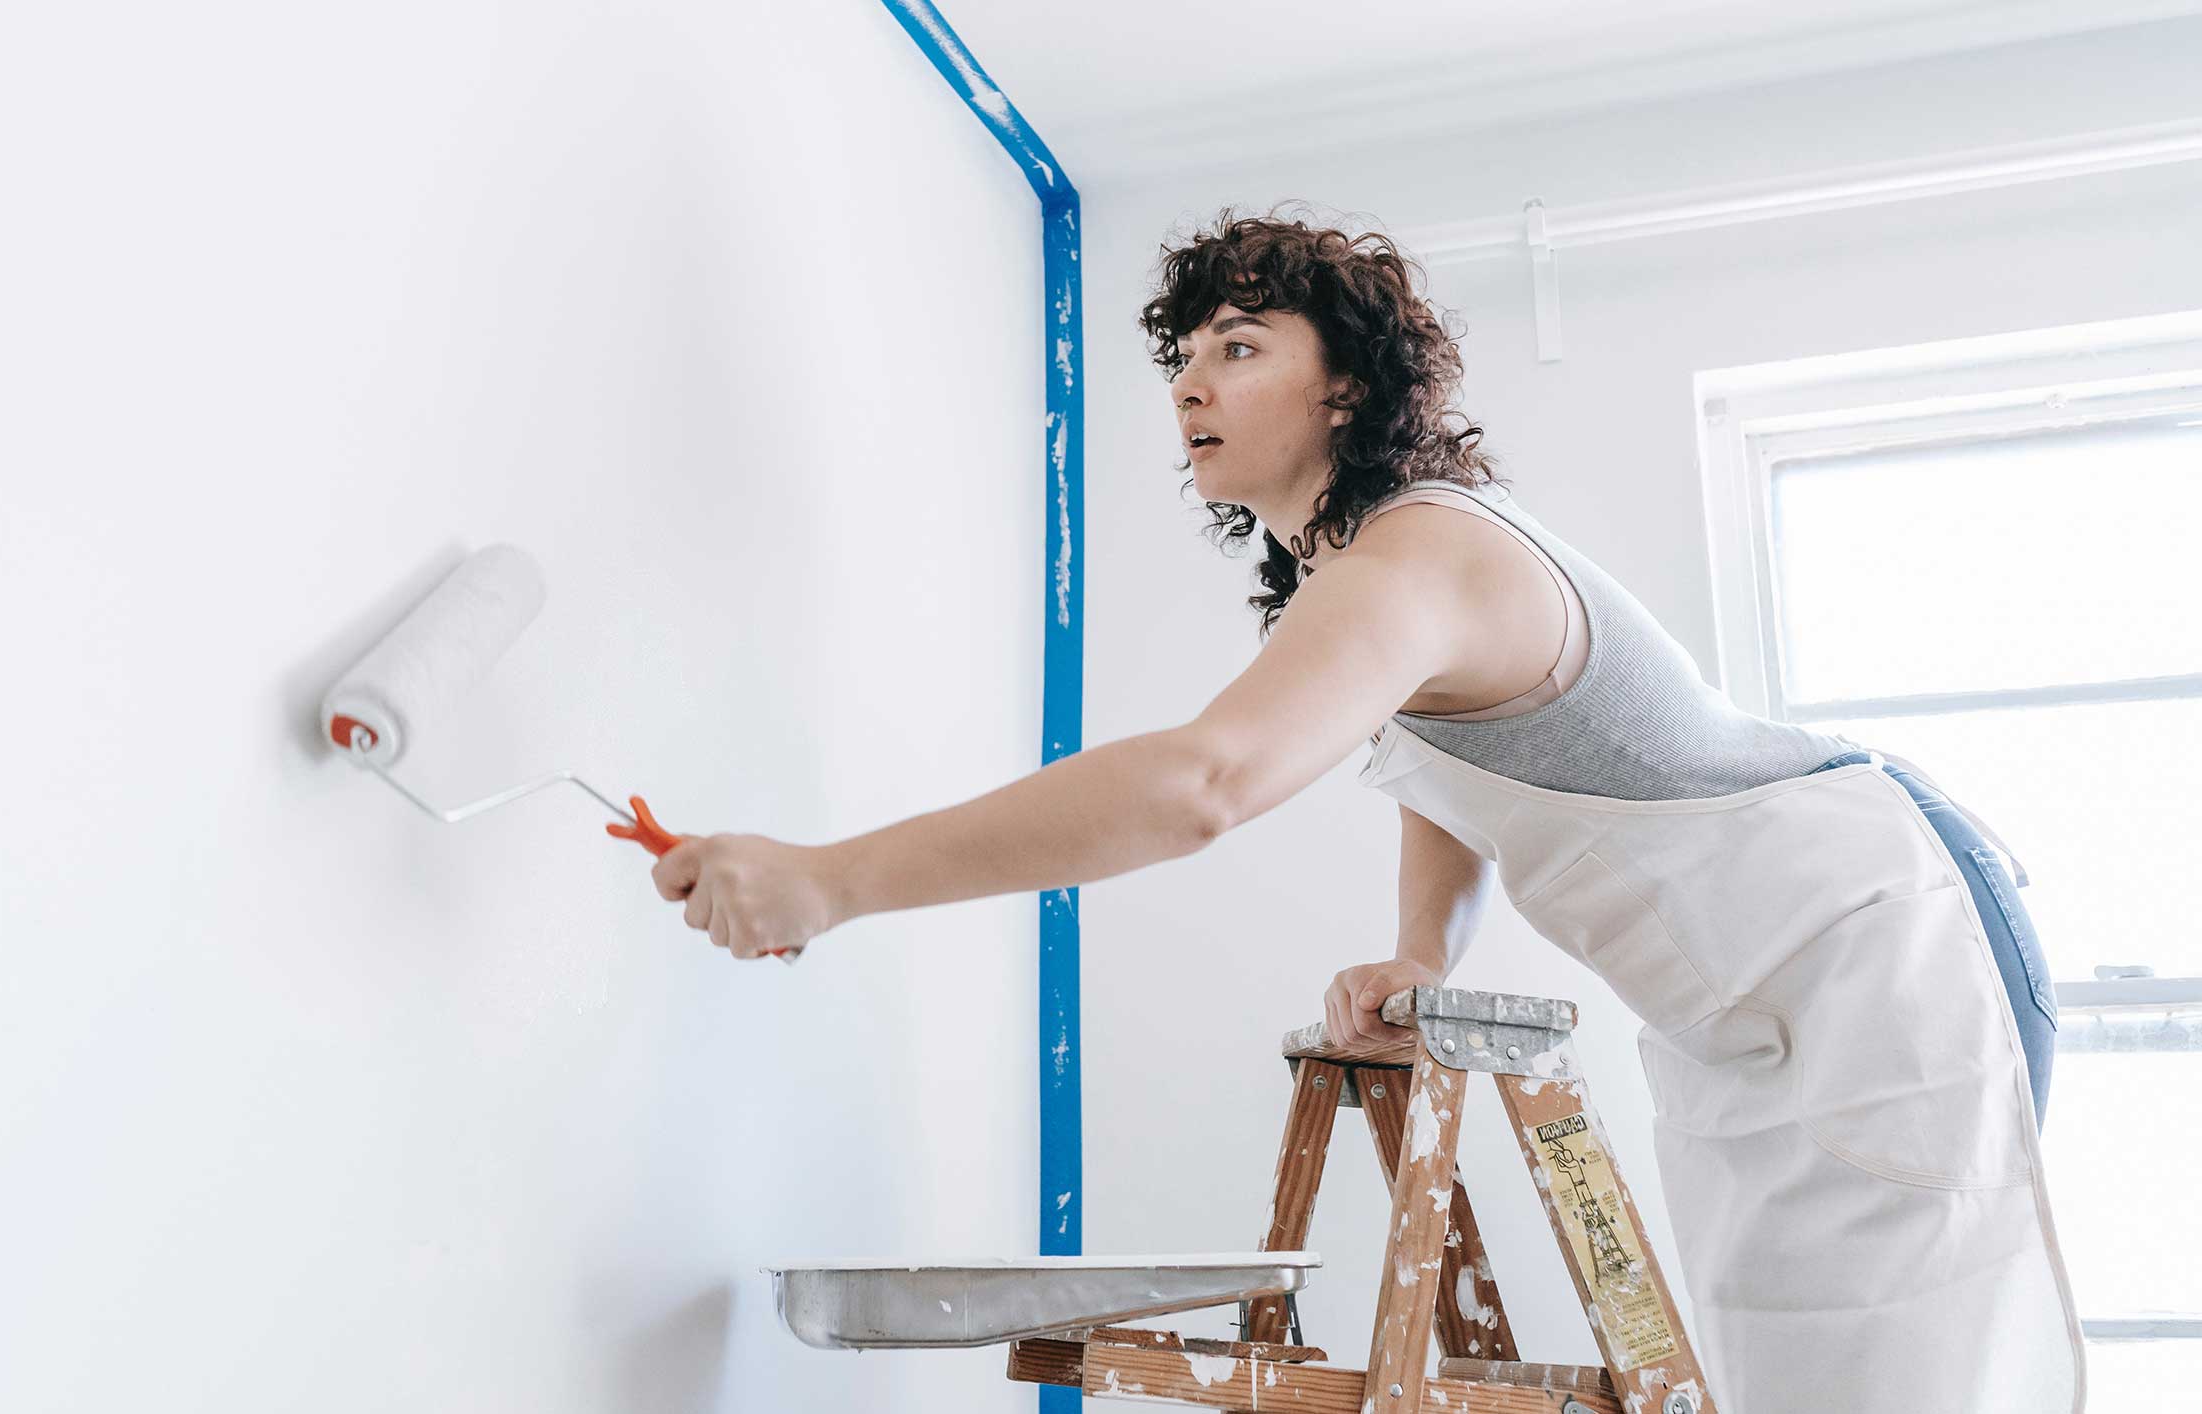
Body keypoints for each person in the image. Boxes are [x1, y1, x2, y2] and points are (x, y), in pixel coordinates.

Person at [639, 206, 2083, 1413]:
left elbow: (1202, 784)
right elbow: (1456, 774)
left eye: (1242, 347)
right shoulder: (1376, 586)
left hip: (1873, 945)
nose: (1193, 384)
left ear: (1345, 389)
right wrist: (1421, 951)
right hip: (1750, 1007)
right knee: (1794, 1368)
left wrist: (829, 879)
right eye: (1187, 358)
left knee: (1910, 1375)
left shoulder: (1418, 556)